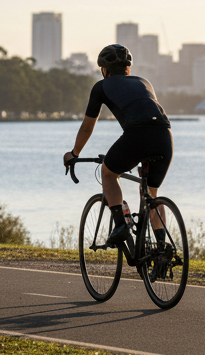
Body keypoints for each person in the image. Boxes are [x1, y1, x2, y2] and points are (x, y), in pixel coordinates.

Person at [64, 44, 173, 247]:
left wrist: (74, 153)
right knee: (151, 194)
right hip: (164, 136)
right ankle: (161, 249)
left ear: (104, 70)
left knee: (108, 174)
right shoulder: (144, 81)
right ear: (128, 68)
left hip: (137, 135)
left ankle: (121, 225)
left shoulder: (101, 87)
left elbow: (87, 127)